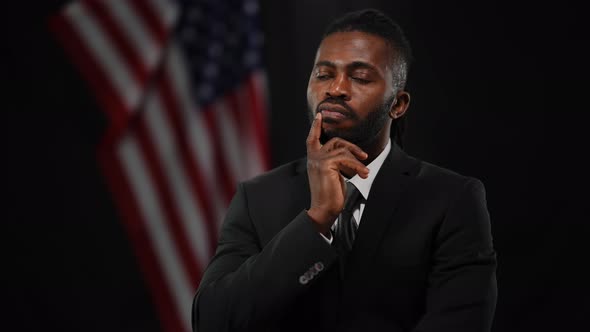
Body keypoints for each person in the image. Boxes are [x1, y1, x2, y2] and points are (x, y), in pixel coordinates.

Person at [192, 8, 497, 332]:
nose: (335, 88)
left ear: (398, 103)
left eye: (360, 77)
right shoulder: (257, 198)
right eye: (323, 74)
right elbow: (212, 321)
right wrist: (317, 220)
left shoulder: (451, 200)